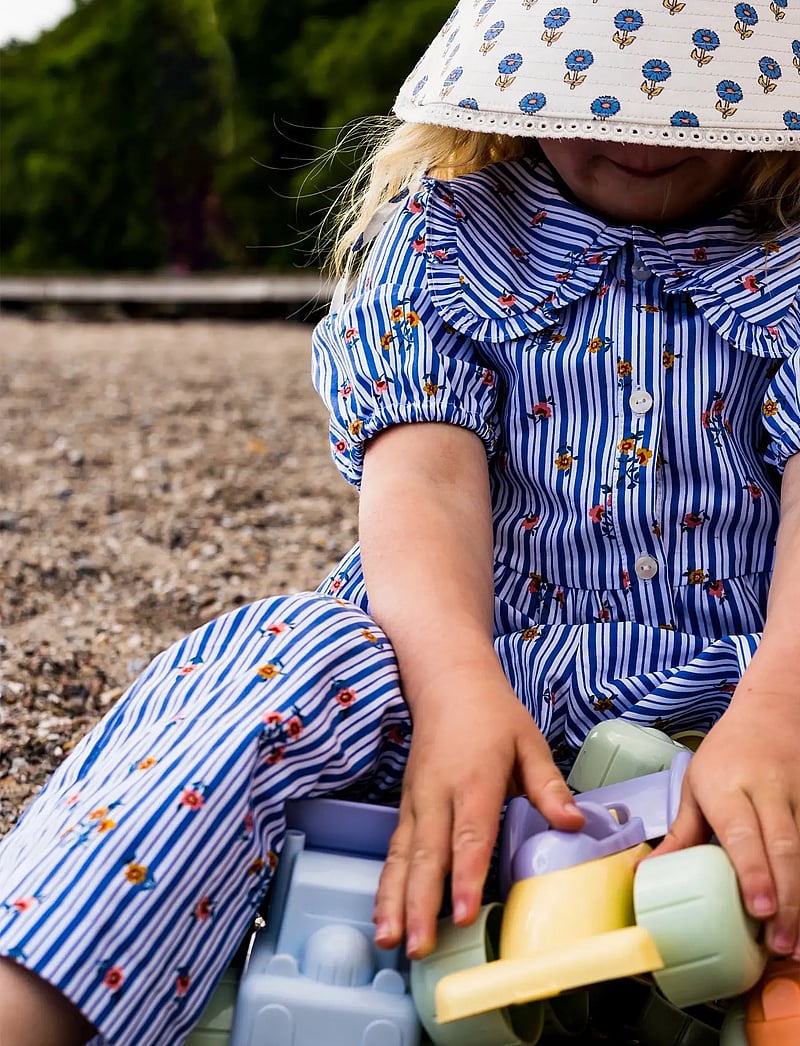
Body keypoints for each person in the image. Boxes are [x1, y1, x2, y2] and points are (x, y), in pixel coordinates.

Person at [2, 2, 799, 1043]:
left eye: (691, 104)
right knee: (275, 656)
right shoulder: (449, 238)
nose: (642, 134)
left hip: (745, 685)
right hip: (456, 668)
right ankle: (37, 994)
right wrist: (456, 684)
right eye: (593, 90)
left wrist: (776, 707)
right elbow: (420, 485)